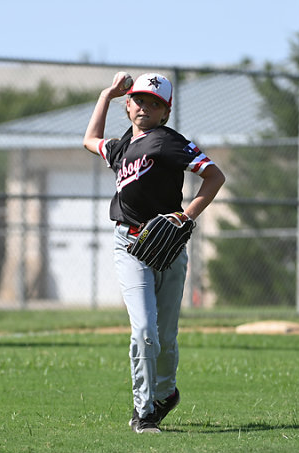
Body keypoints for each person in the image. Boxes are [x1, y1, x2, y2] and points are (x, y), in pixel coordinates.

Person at [83, 72, 226, 433]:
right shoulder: (121, 147)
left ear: (166, 112)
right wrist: (106, 95)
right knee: (145, 330)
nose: (145, 107)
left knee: (165, 335)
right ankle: (144, 411)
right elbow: (90, 140)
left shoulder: (168, 142)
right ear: (128, 105)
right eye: (139, 100)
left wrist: (186, 216)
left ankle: (165, 394)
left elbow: (214, 176)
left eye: (154, 103)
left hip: (168, 245)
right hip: (129, 245)